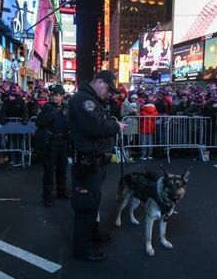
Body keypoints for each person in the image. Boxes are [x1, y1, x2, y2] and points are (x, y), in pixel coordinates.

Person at [68, 70, 127, 261]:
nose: (108, 93)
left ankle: (92, 235)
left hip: (95, 162)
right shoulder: (84, 100)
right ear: (99, 82)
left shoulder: (92, 100)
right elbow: (96, 127)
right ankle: (82, 248)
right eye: (107, 88)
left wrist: (111, 123)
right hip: (87, 163)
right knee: (86, 204)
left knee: (93, 201)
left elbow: (100, 122)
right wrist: (116, 126)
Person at [36, 84, 70, 207]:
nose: (54, 97)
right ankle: (47, 195)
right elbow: (39, 123)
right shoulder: (47, 108)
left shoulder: (67, 108)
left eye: (56, 95)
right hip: (51, 142)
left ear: (62, 96)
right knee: (49, 169)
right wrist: (51, 115)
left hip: (63, 141)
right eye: (52, 95)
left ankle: (61, 191)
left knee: (62, 168)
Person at [139, 94, 159, 160]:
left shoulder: (142, 111)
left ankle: (143, 155)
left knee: (144, 142)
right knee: (150, 142)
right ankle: (149, 155)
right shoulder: (155, 112)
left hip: (143, 128)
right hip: (151, 128)